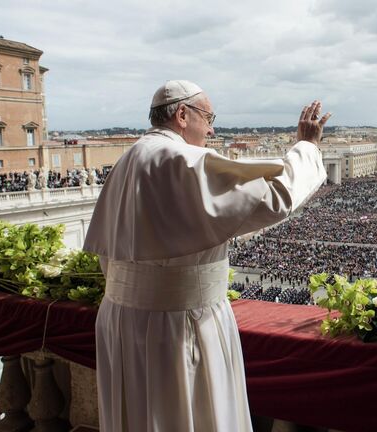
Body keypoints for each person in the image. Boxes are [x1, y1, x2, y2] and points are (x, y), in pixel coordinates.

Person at [83, 80, 329, 431]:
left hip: (121, 320)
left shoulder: (127, 160)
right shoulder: (182, 160)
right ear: (182, 114)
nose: (212, 129)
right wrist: (306, 146)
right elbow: (275, 197)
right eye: (208, 117)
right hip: (180, 324)